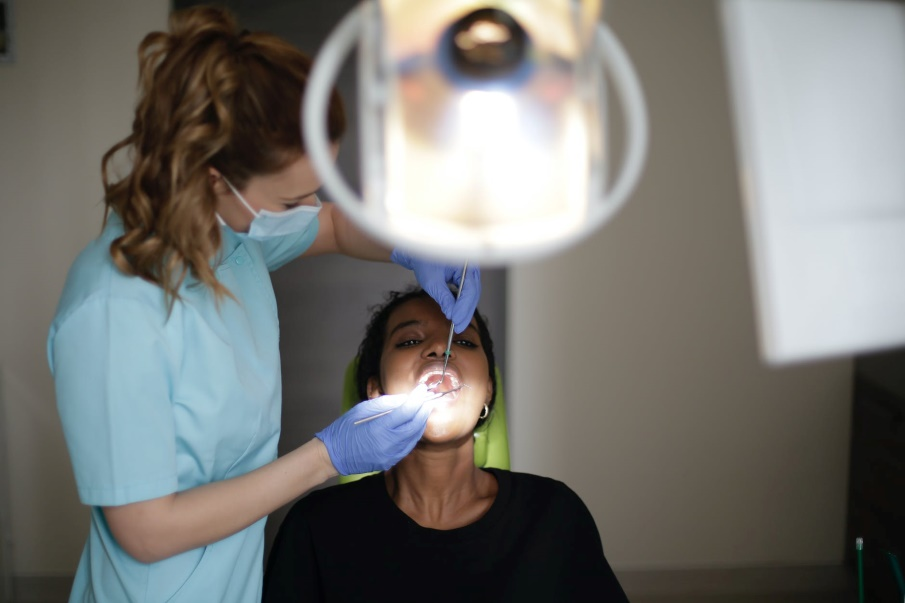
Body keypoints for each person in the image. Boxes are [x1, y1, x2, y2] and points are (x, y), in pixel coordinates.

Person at [46, 7, 480, 602]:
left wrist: (414, 246)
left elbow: (330, 225)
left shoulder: (229, 236)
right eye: (291, 195)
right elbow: (145, 531)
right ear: (214, 177)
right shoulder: (113, 315)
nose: (313, 202)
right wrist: (327, 458)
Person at [263, 288, 628, 602]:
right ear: (375, 392)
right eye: (409, 341)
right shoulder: (317, 528)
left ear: (487, 390)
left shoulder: (554, 516)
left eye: (464, 341)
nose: (441, 347)